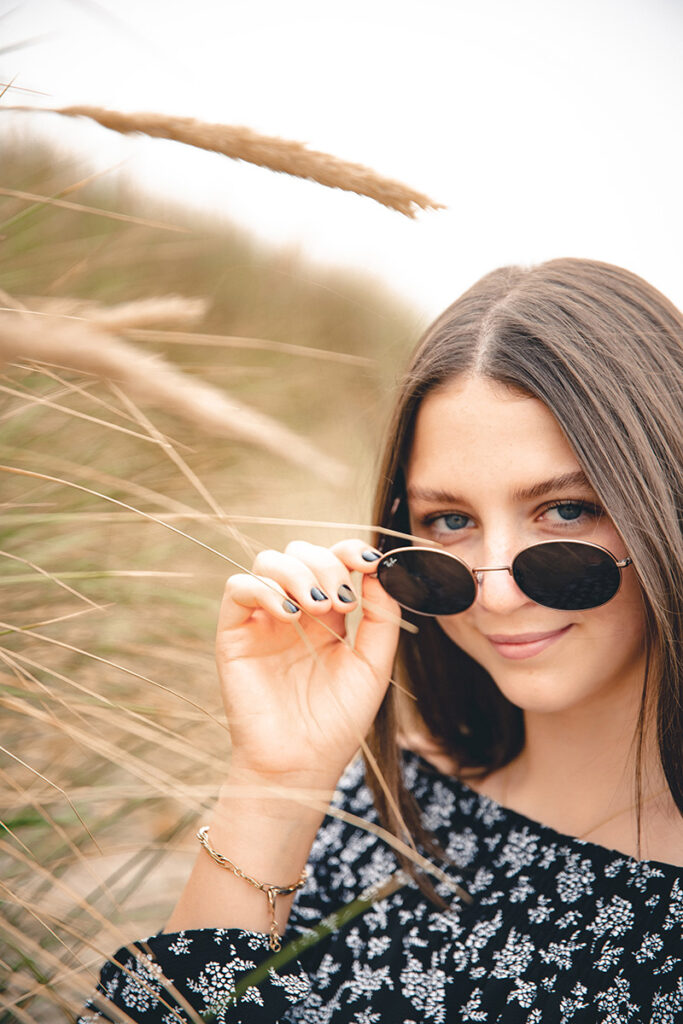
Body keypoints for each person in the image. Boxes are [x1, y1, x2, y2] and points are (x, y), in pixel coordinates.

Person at [79, 258, 683, 1023]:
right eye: (448, 522)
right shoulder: (379, 813)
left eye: (564, 512)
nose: (495, 591)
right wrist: (273, 782)